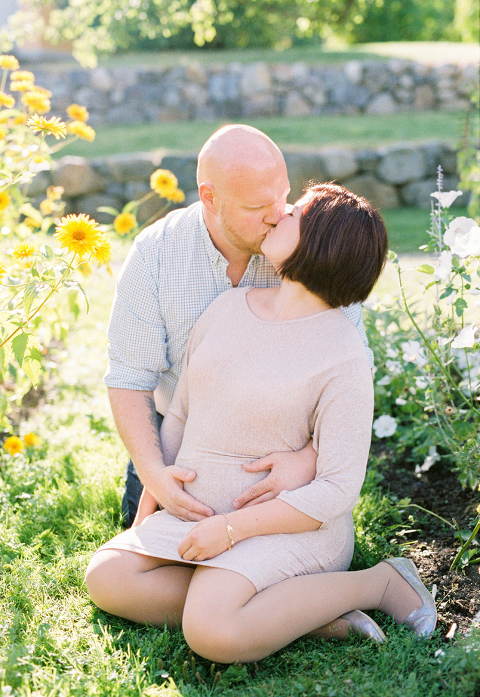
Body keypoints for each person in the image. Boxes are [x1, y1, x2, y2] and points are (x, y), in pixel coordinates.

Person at [86, 183, 437, 663]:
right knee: (107, 576)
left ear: (321, 243)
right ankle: (299, 615)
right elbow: (183, 412)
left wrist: (232, 530)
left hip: (286, 527)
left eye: (295, 213)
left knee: (212, 632)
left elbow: (337, 488)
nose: (279, 215)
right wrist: (157, 489)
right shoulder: (228, 308)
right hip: (204, 513)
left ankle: (376, 583)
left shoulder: (344, 355)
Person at [105, 124, 374, 527]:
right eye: (256, 208)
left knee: (266, 565)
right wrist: (154, 473)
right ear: (210, 199)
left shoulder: (300, 251)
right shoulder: (156, 254)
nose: (277, 214)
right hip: (180, 444)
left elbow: (353, 372)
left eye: (283, 197)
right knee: (152, 566)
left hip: (281, 446)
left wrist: (308, 460)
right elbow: (129, 378)